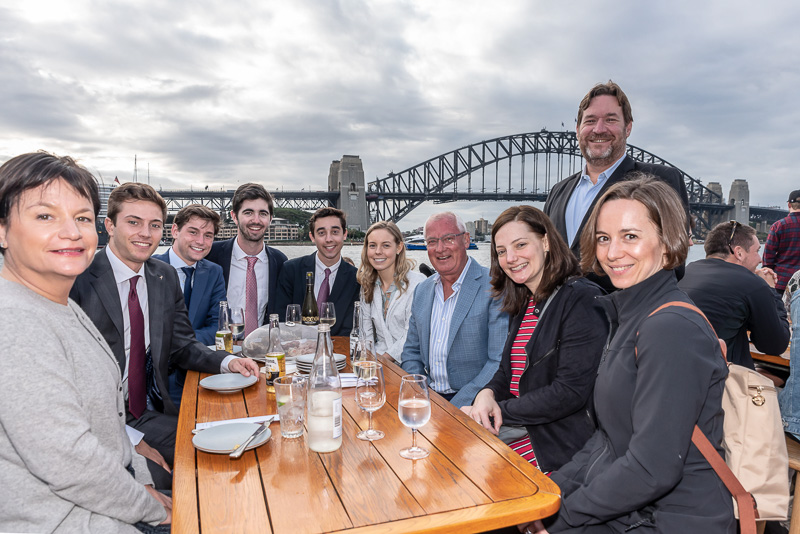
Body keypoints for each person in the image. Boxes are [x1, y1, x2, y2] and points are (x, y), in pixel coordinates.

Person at [528, 177, 734, 533]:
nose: (611, 252)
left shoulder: (670, 328)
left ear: (668, 245)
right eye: (604, 238)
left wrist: (561, 518)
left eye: (631, 237)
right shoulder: (631, 317)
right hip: (633, 511)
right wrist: (549, 496)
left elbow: (652, 467)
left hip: (671, 521)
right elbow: (607, 440)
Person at [0, 152, 168, 532]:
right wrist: (154, 510)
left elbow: (110, 421)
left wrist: (141, 479)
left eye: (82, 218)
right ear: (3, 230)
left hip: (107, 500)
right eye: (45, 216)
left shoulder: (57, 306)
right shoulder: (14, 322)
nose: (72, 232)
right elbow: (70, 463)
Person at [70, 183, 258, 472]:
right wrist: (130, 441)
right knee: (195, 471)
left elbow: (182, 344)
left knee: (239, 442)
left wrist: (229, 361)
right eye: (134, 222)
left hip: (149, 411)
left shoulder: (163, 276)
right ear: (109, 225)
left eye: (154, 224)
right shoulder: (77, 279)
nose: (145, 233)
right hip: (98, 422)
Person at [461, 206, 607, 473]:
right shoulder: (526, 302)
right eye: (502, 251)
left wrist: (497, 410)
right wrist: (486, 393)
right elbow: (507, 372)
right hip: (520, 427)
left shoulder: (581, 300)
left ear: (546, 241)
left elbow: (570, 392)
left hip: (556, 443)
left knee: (468, 477)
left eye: (520, 245)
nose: (511, 258)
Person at [543, 81, 689, 261]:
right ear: (577, 130)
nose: (599, 129)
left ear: (628, 128)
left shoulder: (660, 180)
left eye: (610, 120)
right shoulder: (558, 191)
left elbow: (674, 261)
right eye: (590, 121)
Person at [400, 212, 509, 408]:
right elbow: (411, 352)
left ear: (466, 240)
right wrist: (422, 392)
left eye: (448, 239)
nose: (440, 249)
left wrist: (452, 409)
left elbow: (498, 361)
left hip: (474, 403)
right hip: (429, 397)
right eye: (432, 241)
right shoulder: (422, 291)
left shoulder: (494, 286)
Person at [679, 220, 789, 369]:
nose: (760, 259)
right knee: (777, 375)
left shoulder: (685, 273)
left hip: (680, 369)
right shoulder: (752, 284)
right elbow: (775, 345)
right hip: (721, 380)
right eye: (757, 251)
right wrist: (770, 289)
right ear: (739, 253)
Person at [153, 204, 228, 407]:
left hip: (201, 374)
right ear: (175, 231)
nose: (200, 242)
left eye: (208, 235)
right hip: (154, 382)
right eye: (193, 232)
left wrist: (180, 343)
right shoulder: (149, 268)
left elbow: (219, 327)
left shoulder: (214, 272)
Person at [205, 183, 287, 336]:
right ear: (234, 216)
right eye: (248, 213)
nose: (256, 220)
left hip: (262, 351)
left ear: (270, 218)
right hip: (219, 350)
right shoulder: (211, 255)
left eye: (263, 213)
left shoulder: (280, 261)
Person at [275, 207, 360, 336]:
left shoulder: (356, 279)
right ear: (312, 237)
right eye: (321, 233)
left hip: (338, 351)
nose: (328, 239)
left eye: (335, 232)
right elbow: (281, 320)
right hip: (296, 350)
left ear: (345, 234)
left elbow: (351, 328)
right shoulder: (291, 270)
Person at [356, 221, 426, 363]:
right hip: (376, 360)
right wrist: (368, 361)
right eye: (372, 245)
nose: (378, 251)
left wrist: (380, 362)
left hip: (410, 364)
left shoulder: (417, 283)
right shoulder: (368, 285)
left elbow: (411, 334)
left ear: (399, 247)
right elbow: (365, 333)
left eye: (386, 245)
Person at [763, 189, 800, 292]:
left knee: (779, 308)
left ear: (789, 205)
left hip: (782, 281)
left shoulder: (778, 226)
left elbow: (768, 256)